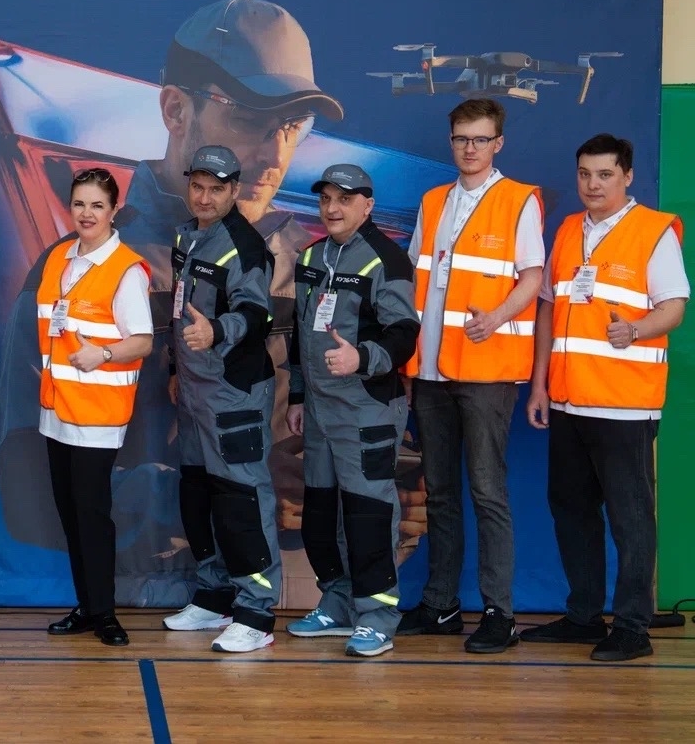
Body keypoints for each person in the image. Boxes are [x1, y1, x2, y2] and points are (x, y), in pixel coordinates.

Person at [0, 0, 357, 607]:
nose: (275, 154)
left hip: (290, 601)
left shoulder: (312, 263)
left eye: (293, 125)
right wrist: (201, 492)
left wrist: (350, 486)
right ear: (174, 108)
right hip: (142, 596)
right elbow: (26, 477)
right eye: (251, 118)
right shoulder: (80, 264)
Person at [522, 134, 688, 662]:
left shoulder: (652, 231)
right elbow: (548, 309)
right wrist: (540, 384)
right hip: (568, 402)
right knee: (572, 512)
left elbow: (674, 306)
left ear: (627, 176)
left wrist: (635, 330)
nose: (592, 185)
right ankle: (583, 616)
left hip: (624, 404)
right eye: (585, 174)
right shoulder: (569, 229)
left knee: (630, 519)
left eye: (605, 175)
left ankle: (634, 628)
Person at [398, 98, 544, 654]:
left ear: (497, 143)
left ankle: (500, 614)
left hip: (485, 370)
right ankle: (440, 604)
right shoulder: (433, 201)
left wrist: (497, 317)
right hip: (431, 370)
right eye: (461, 138)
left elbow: (533, 278)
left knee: (486, 491)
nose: (469, 148)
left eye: (480, 139)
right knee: (439, 491)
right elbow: (415, 278)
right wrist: (410, 362)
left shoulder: (519, 200)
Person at [284, 164, 420, 658]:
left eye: (345, 199)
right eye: (326, 199)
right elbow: (301, 331)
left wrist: (361, 357)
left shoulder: (388, 259)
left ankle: (377, 618)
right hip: (320, 410)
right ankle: (337, 603)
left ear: (368, 205)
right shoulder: (311, 256)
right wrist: (298, 395)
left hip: (368, 409)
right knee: (320, 515)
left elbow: (404, 333)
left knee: (368, 514)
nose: (333, 208)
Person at [159, 146, 281, 653]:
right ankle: (214, 596)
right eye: (198, 187)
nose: (205, 198)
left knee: (241, 498)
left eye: (216, 189)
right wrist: (175, 368)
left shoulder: (246, 246)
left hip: (234, 392)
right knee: (198, 493)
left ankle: (256, 612)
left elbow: (257, 314)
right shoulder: (186, 236)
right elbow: (180, 310)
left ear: (234, 191)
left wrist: (218, 331)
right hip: (193, 390)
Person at [39, 168, 153, 647]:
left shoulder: (125, 269)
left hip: (98, 415)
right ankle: (86, 607)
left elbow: (143, 341)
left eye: (97, 206)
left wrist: (103, 353)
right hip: (56, 411)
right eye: (79, 204)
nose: (87, 214)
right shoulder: (59, 257)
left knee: (92, 514)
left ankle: (105, 614)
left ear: (113, 211)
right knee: (70, 514)